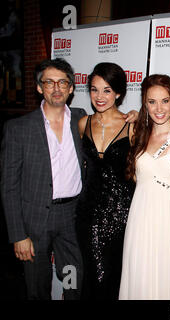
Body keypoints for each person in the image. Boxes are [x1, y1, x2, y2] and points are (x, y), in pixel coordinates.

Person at [0, 58, 85, 299]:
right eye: (49, 82)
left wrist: (131, 115)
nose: (56, 88)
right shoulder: (19, 128)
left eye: (62, 82)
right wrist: (18, 235)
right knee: (37, 287)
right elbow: (9, 186)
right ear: (39, 87)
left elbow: (112, 121)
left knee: (72, 278)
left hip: (71, 217)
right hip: (35, 221)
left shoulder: (81, 120)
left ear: (71, 88)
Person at [119, 74, 170, 300]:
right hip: (138, 220)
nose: (159, 108)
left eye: (165, 101)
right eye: (152, 102)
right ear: (145, 103)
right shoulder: (138, 135)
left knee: (165, 281)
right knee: (139, 278)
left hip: (168, 222)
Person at [75, 62, 136, 300]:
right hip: (88, 213)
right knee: (93, 276)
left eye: (107, 90)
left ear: (118, 93)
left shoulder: (131, 125)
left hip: (122, 214)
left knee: (113, 277)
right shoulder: (83, 124)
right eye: (94, 89)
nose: (99, 96)